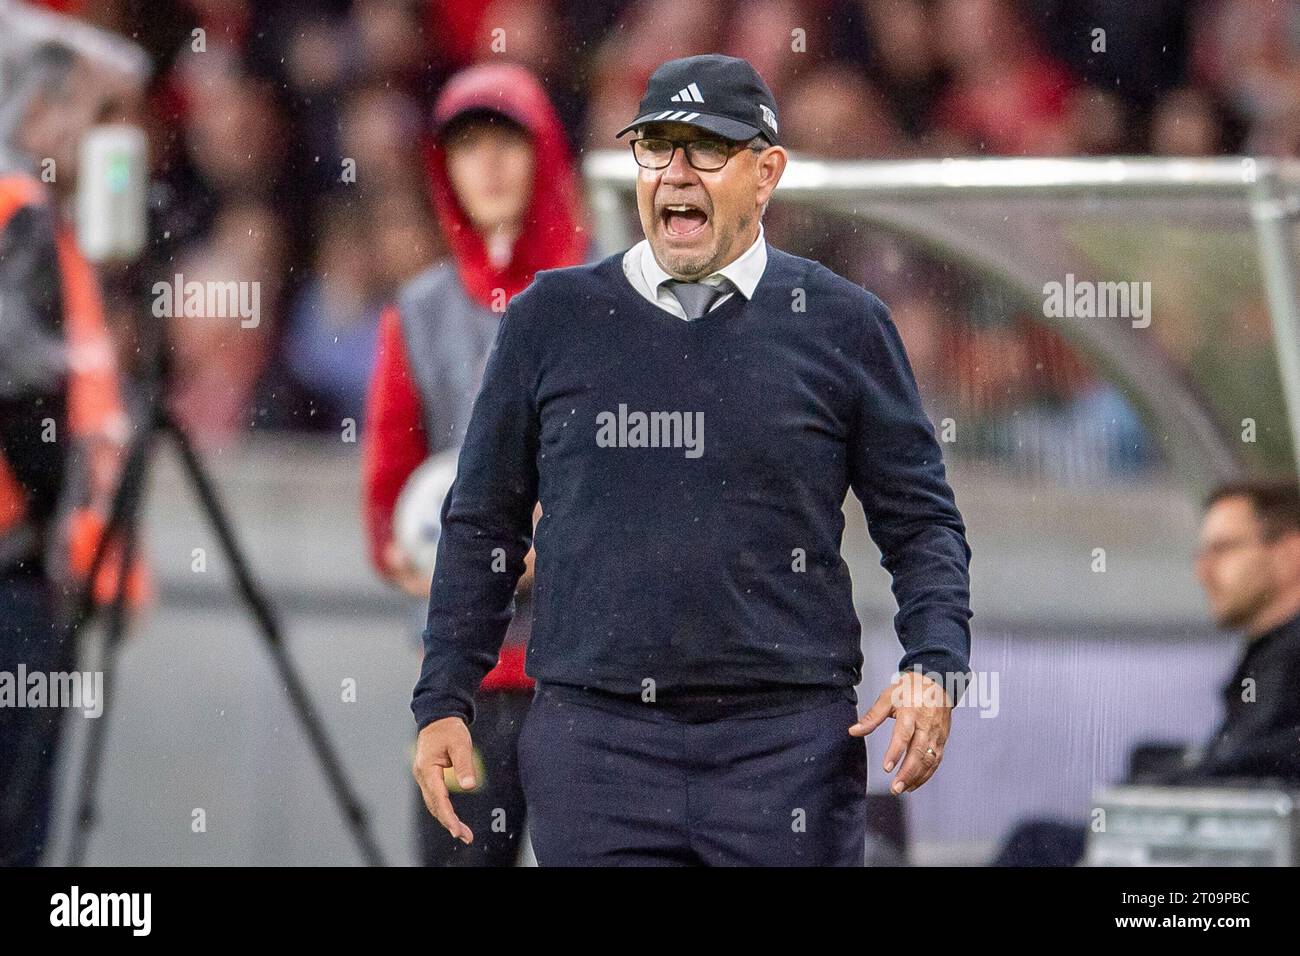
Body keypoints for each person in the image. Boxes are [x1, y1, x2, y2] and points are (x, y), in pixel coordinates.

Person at [409, 53, 973, 867]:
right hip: (597, 750)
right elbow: (481, 521)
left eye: (707, 149)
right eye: (657, 146)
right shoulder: (549, 319)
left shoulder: (846, 326)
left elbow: (921, 525)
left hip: (786, 755)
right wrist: (443, 697)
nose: (676, 173)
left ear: (767, 172)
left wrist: (935, 666)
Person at [362, 62, 586, 866]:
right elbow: (386, 518)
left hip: (596, 674)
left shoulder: (609, 296)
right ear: (442, 168)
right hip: (468, 683)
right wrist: (452, 558)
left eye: (507, 143)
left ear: (546, 155)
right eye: (468, 147)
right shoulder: (418, 315)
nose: (487, 166)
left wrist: (546, 539)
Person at [994, 478, 1300, 866]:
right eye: (1201, 554)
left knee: (1035, 844)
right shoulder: (1271, 654)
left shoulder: (1289, 657)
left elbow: (1257, 769)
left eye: (1223, 549)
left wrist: (1171, 778)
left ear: (1289, 554)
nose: (1203, 572)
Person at [0, 40, 142, 865]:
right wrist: (64, 526)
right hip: (16, 566)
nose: (108, 149)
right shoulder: (20, 209)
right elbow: (20, 389)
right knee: (20, 829)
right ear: (45, 113)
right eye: (98, 120)